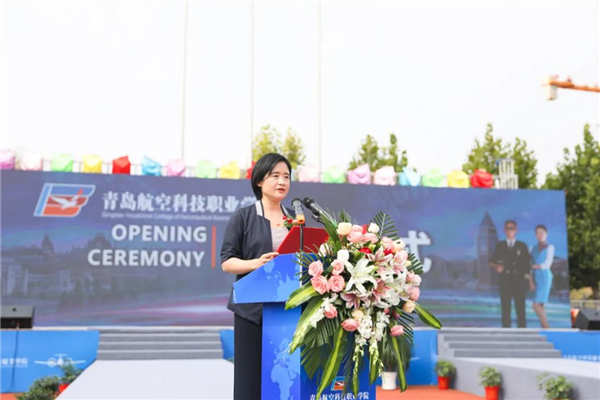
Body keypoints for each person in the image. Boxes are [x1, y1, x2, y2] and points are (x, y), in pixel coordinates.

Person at [220, 153, 293, 400]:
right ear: (260, 181)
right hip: (251, 311)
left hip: (288, 310)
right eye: (275, 176)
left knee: (284, 383)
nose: (282, 181)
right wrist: (256, 264)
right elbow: (227, 262)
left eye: (286, 176)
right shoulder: (244, 217)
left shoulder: (296, 219)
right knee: (249, 382)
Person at [489, 220, 532, 328]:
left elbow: (527, 265)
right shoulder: (500, 245)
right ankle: (506, 332)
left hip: (519, 282)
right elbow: (491, 261)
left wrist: (529, 282)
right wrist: (496, 266)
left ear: (516, 230)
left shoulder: (522, 245)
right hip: (505, 281)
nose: (509, 230)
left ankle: (522, 333)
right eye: (507, 228)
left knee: (521, 310)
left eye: (511, 228)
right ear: (504, 230)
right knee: (505, 310)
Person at [529, 224, 555, 328]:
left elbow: (547, 264)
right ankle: (545, 329)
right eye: (537, 233)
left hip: (545, 277)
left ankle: (547, 328)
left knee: (536, 305)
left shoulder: (550, 247)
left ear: (546, 234)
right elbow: (528, 264)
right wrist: (531, 281)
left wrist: (535, 266)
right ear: (535, 235)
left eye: (542, 233)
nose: (539, 235)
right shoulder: (532, 248)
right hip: (535, 277)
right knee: (540, 305)